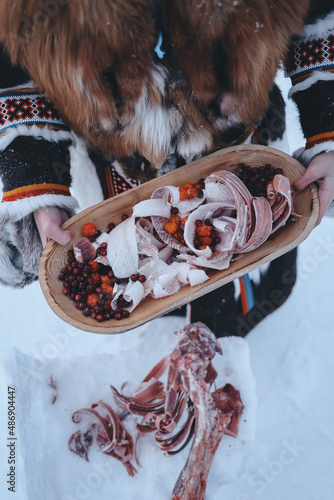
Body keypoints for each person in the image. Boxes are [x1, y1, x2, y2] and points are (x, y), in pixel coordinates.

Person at [0, 0, 333, 337]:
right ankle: (169, 318)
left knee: (248, 280)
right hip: (116, 177)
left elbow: (322, 15)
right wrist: (35, 184)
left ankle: (239, 316)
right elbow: (12, 64)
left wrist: (328, 131)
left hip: (247, 167)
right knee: (143, 290)